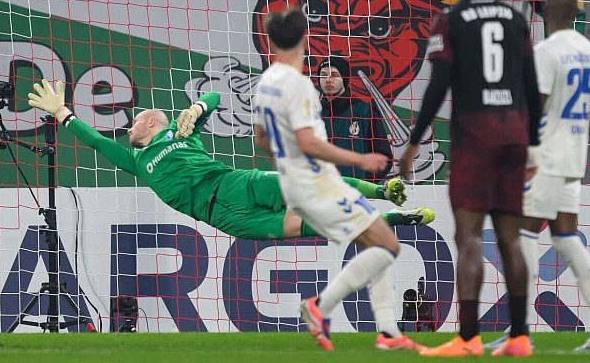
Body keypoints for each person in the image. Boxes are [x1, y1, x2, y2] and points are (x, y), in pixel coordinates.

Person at [26, 83, 435, 245]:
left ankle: (384, 191)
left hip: (234, 183)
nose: (128, 128)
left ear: (152, 122)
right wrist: (62, 113)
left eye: (135, 121)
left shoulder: (181, 132)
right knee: (312, 224)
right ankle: (398, 220)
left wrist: (197, 107)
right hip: (223, 217)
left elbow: (217, 97)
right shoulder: (136, 160)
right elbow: (97, 142)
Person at [400, 0, 542, 358]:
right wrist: (534, 145)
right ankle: (520, 337)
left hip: (474, 139)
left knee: (469, 238)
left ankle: (468, 338)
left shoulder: (451, 20)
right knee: (510, 239)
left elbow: (438, 86)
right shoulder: (515, 19)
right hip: (513, 136)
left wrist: (413, 142)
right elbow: (532, 86)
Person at [251, 7, 421, 352]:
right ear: (304, 38)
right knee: (388, 246)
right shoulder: (298, 85)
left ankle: (388, 332)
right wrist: (361, 159)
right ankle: (320, 306)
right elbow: (309, 142)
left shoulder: (266, 83)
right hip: (317, 182)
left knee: (377, 243)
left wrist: (290, 157)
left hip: (296, 183)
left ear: (270, 41)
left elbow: (261, 139)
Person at [516, 0, 590, 351]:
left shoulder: (546, 52)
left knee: (524, 233)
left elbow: (537, 108)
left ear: (545, 13)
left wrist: (529, 155)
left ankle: (519, 332)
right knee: (564, 237)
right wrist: (576, 136)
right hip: (574, 159)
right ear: (576, 14)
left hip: (546, 158)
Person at [314, 56, 393, 181]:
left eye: (334, 75)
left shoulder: (364, 111)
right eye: (323, 75)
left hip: (354, 190)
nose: (328, 80)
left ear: (344, 78)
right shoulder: (312, 113)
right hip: (319, 188)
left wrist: (363, 183)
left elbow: (384, 158)